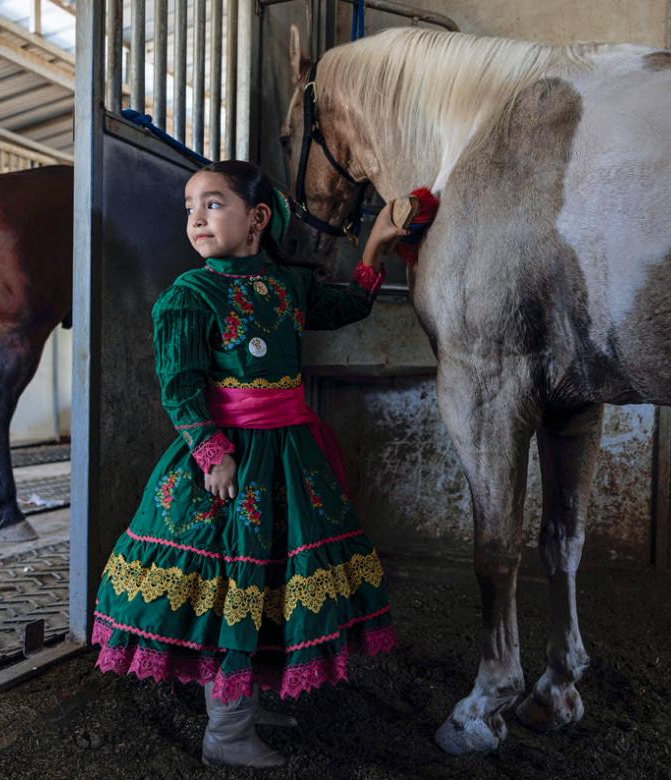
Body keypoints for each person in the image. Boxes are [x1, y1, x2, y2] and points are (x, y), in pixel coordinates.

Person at [91, 159, 408, 768]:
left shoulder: (289, 285)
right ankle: (227, 734)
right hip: (229, 461)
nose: (196, 219)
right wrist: (211, 453)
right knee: (231, 580)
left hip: (290, 457)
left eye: (212, 204)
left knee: (270, 580)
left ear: (258, 218)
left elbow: (348, 308)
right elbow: (180, 388)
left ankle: (248, 697)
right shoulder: (189, 297)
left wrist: (374, 247)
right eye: (190, 207)